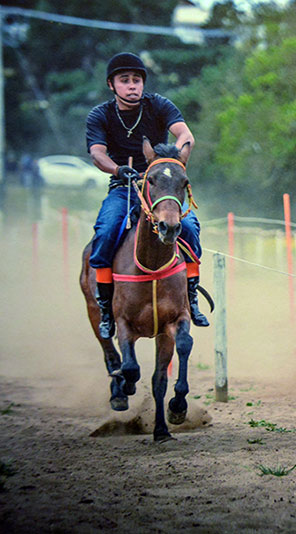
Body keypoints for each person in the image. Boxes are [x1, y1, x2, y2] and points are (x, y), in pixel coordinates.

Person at [86, 52, 206, 339]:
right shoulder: (100, 115)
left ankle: (191, 299)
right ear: (111, 84)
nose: (132, 86)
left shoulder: (159, 105)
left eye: (136, 80)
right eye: (124, 80)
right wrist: (118, 170)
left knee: (188, 227)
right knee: (105, 231)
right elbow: (96, 153)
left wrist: (171, 160)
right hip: (123, 186)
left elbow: (185, 135)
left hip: (160, 187)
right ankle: (106, 308)